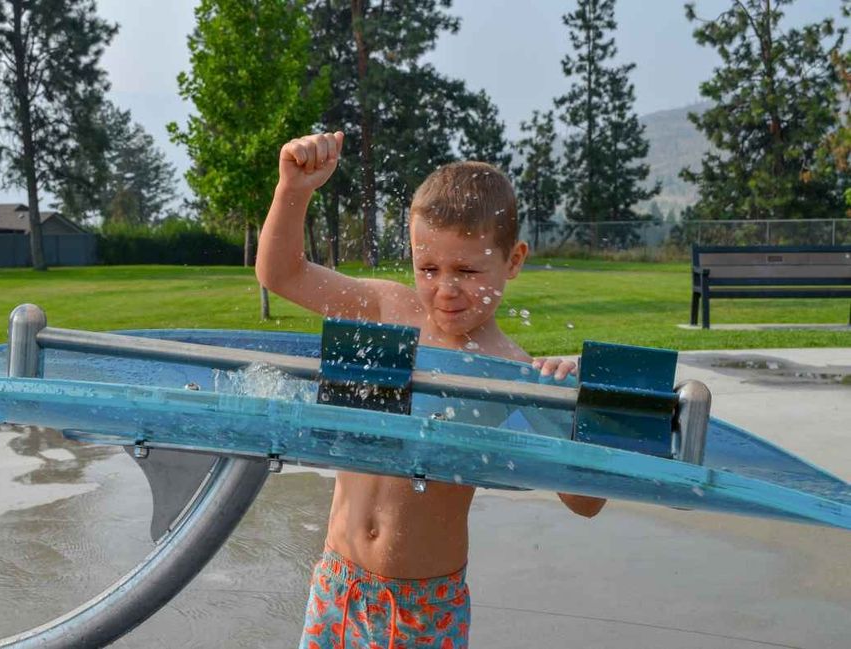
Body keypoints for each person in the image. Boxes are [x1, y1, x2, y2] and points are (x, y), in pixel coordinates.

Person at [256, 131, 606, 649]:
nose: (445, 288)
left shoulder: (510, 369)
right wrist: (294, 188)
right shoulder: (388, 310)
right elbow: (280, 274)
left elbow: (586, 502)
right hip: (338, 581)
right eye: (429, 268)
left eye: (466, 269)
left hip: (425, 605)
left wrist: (566, 398)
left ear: (513, 261)